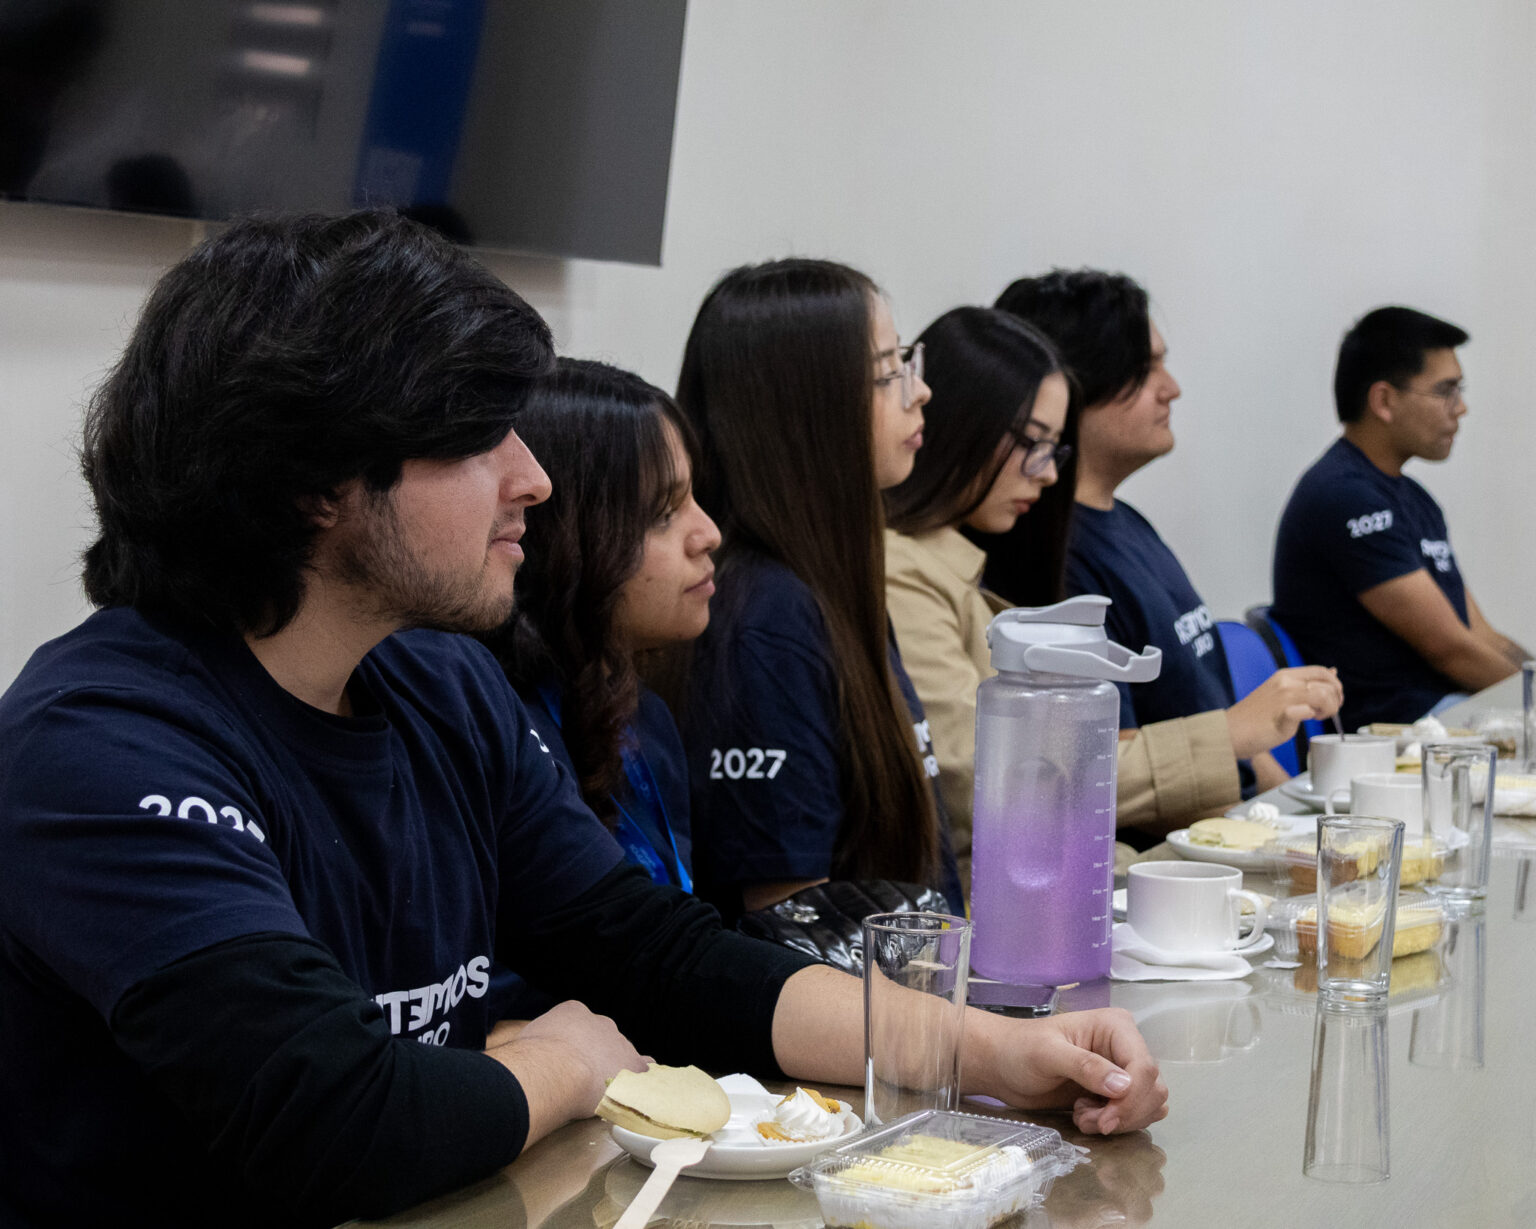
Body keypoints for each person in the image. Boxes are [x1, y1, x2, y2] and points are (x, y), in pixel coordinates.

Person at [0, 213, 1167, 1227]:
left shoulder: (438, 683)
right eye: (478, 434)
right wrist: (562, 1062)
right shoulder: (98, 746)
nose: (534, 477)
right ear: (313, 480)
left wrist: (988, 1049)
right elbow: (337, 1112)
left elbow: (656, 953)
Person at [885, 307, 1253, 855]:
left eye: (1052, 448)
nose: (1049, 472)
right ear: (965, 423)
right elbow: (981, 780)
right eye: (1033, 443)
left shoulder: (969, 562)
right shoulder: (904, 573)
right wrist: (1227, 738)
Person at [674, 257, 964, 923]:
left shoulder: (824, 584)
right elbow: (791, 922)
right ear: (808, 408)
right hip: (849, 988)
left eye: (906, 362)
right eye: (889, 372)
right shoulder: (766, 618)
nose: (920, 391)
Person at [995, 269, 1342, 794]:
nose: (1171, 389)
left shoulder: (1127, 522)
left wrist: (1294, 810)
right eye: (1145, 370)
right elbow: (1112, 771)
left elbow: (1234, 733)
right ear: (1073, 386)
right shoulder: (1055, 561)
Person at [478, 358, 718, 1019]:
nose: (709, 533)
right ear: (563, 532)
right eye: (663, 513)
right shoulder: (496, 720)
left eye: (694, 498)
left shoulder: (646, 718)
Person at [1271, 306, 1528, 729]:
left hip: (1444, 715)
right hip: (1390, 731)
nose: (1461, 408)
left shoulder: (1414, 499)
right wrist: (1529, 702)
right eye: (1445, 391)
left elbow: (1478, 634)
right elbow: (1450, 650)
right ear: (1384, 401)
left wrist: (1530, 684)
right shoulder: (1345, 497)